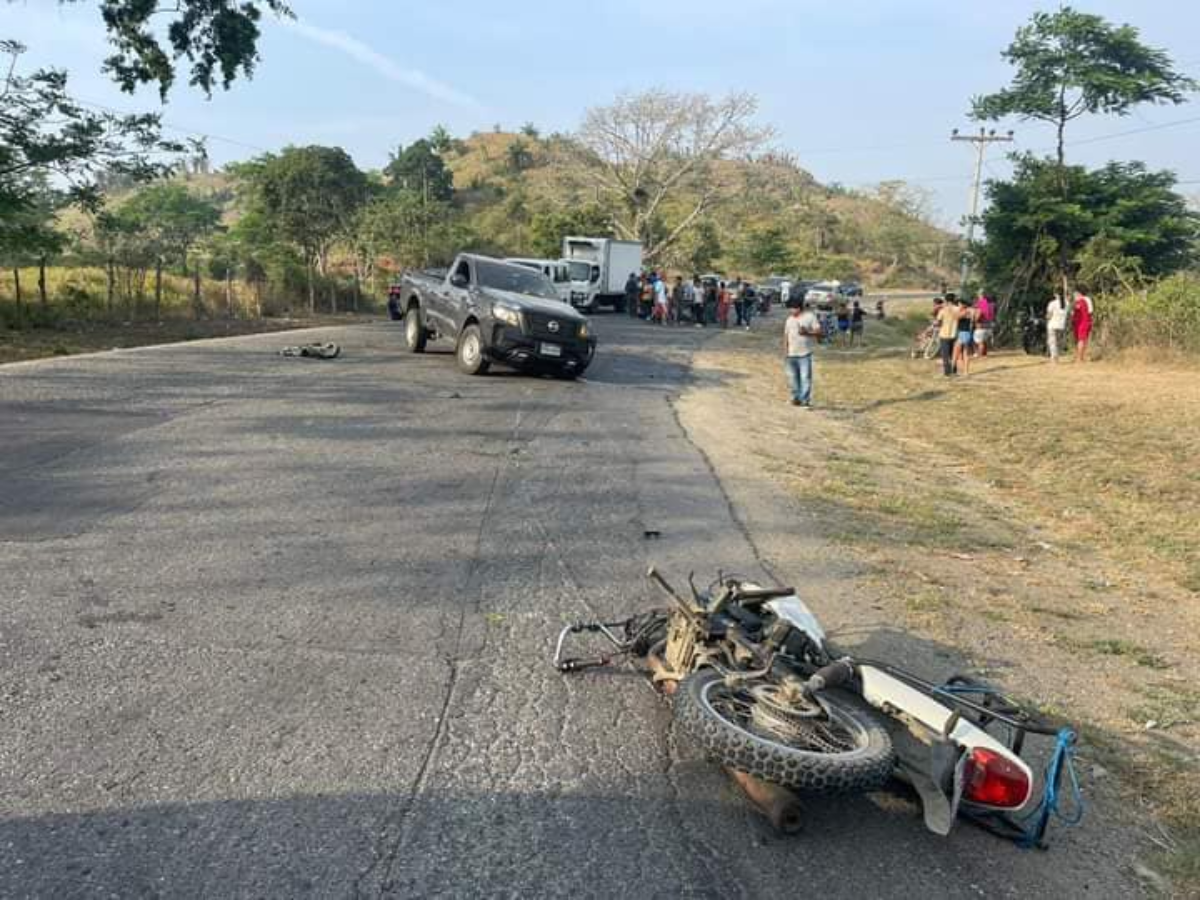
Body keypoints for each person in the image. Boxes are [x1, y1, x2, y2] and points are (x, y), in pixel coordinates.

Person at [783, 298, 822, 407]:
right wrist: (785, 351)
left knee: (805, 378)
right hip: (791, 353)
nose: (791, 310)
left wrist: (807, 332)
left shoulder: (810, 317)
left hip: (805, 353)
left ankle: (805, 400)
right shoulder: (789, 320)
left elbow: (819, 332)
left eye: (792, 308)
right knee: (792, 378)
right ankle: (796, 398)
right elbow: (786, 336)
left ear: (799, 308)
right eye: (790, 308)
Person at [936, 292, 961, 377]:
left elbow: (938, 322)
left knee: (945, 355)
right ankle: (954, 371)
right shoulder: (958, 309)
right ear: (954, 300)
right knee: (953, 354)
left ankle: (947, 372)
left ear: (946, 300)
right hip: (955, 334)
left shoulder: (943, 310)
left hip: (944, 334)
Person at [953, 297, 977, 375]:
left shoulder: (966, 311)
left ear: (964, 304)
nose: (958, 305)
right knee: (965, 353)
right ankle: (965, 371)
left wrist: (956, 310)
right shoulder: (969, 311)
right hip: (966, 333)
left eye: (959, 304)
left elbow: (956, 317)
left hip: (963, 333)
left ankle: (952, 368)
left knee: (956, 352)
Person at [1073, 289, 1094, 362]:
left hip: (1082, 323)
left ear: (1079, 294)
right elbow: (1090, 312)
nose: (1074, 297)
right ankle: (1082, 357)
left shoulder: (1080, 302)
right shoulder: (1087, 300)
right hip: (1086, 322)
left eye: (1075, 295)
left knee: (1081, 340)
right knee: (1084, 340)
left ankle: (1079, 358)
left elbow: (1077, 310)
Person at [1046, 292, 1068, 362]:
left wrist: (1046, 317)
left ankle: (1054, 357)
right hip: (1061, 325)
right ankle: (1057, 356)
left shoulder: (1052, 303)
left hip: (1052, 324)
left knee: (1052, 342)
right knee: (1058, 342)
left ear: (1056, 294)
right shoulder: (1067, 303)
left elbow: (1049, 315)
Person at [974, 292, 995, 357]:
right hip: (989, 325)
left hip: (981, 325)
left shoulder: (979, 303)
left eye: (979, 296)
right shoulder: (991, 305)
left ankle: (980, 354)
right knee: (984, 340)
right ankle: (984, 353)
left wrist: (975, 320)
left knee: (980, 342)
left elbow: (978, 313)